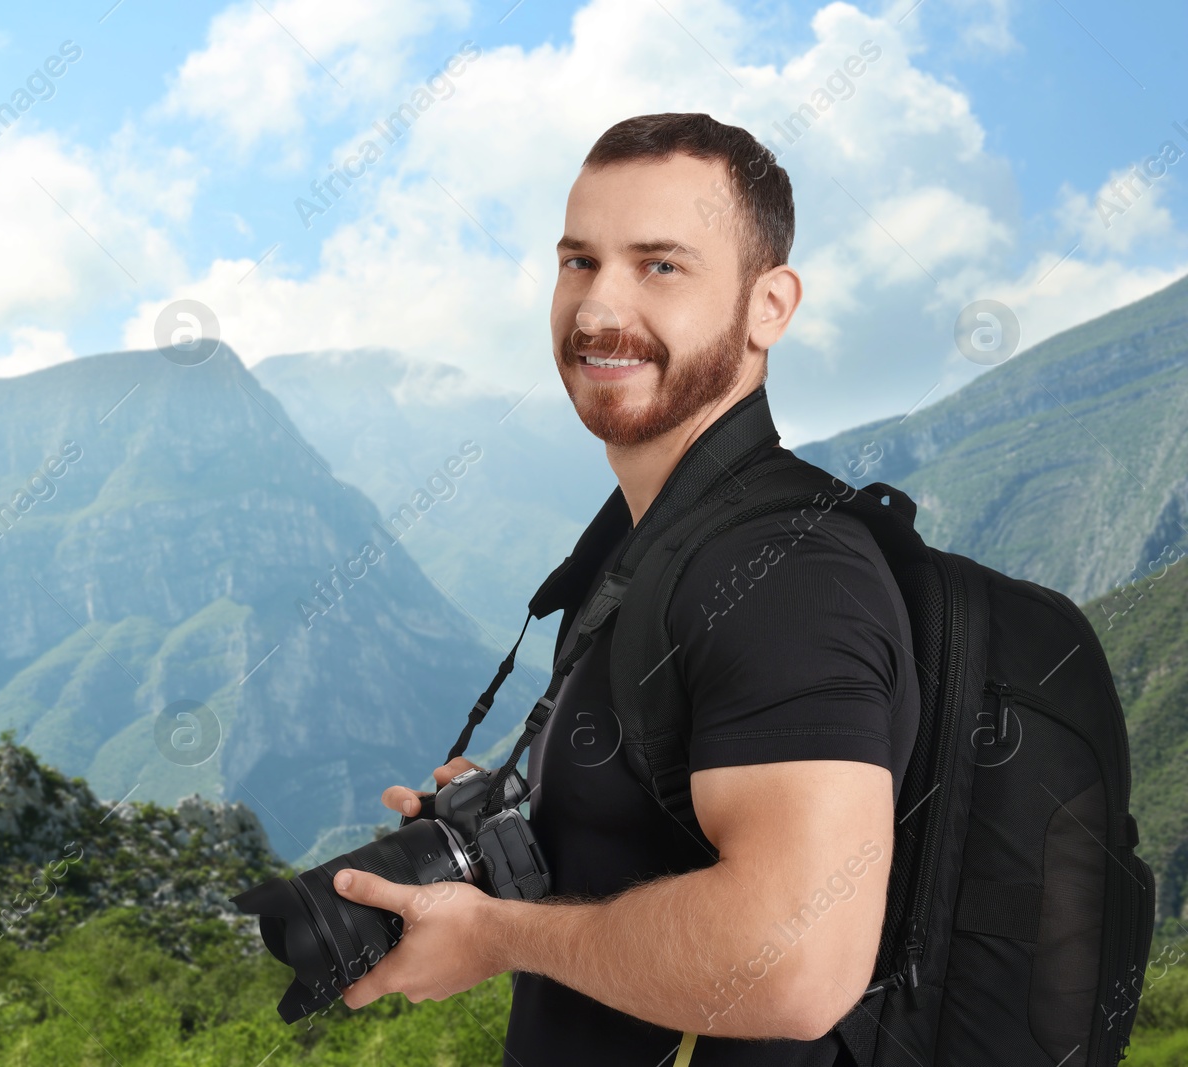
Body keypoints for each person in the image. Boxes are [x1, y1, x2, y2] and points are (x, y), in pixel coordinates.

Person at [327, 113, 920, 1065]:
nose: (599, 309)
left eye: (660, 266)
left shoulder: (788, 573)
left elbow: (797, 963)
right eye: (578, 262)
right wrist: (551, 807)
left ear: (770, 305)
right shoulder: (646, 542)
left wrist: (497, 935)